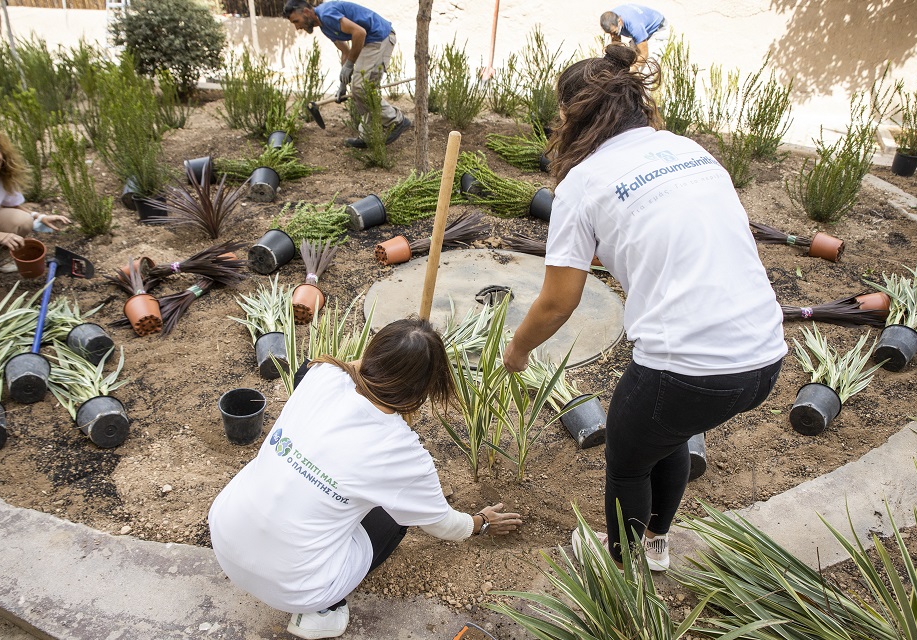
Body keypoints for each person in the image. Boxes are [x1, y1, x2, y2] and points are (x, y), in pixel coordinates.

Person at [502, 47, 786, 572]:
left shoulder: (582, 183)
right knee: (668, 433)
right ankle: (656, 541)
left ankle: (622, 569)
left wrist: (517, 349)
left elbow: (559, 301)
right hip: (766, 356)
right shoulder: (689, 149)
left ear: (572, 116)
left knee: (627, 463)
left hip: (689, 369)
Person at [209, 318, 522, 640]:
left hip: (224, 535)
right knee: (396, 515)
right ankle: (323, 613)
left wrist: (394, 352)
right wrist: (480, 522)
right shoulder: (402, 455)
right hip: (294, 589)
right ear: (425, 387)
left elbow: (355, 368)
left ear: (372, 353)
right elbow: (442, 525)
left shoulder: (321, 373)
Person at [282, 0, 411, 149]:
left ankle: (396, 119)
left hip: (379, 37)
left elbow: (359, 33)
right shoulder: (325, 27)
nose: (298, 27)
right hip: (370, 41)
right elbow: (345, 52)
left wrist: (350, 65)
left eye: (296, 21)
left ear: (306, 12)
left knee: (362, 88)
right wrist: (343, 84)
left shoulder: (327, 14)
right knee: (361, 91)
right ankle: (368, 135)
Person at [0, 121, 70, 271]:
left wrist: (40, 217)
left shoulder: (1, 178)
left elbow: (13, 206)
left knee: (22, 220)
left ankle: (2, 258)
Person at [600, 4, 669, 71]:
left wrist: (629, 71)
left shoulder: (635, 27)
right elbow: (617, 42)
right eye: (610, 33)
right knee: (630, 57)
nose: (612, 36)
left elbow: (644, 54)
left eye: (614, 33)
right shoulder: (611, 19)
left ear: (619, 21)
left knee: (647, 68)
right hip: (641, 28)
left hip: (657, 30)